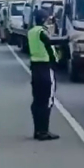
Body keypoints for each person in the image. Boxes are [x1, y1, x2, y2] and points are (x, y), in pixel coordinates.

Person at [27, 9, 60, 141]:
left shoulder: (31, 32)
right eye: (47, 19)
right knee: (47, 101)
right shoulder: (41, 32)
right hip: (46, 68)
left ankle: (37, 130)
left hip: (35, 68)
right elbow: (49, 43)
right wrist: (67, 40)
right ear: (43, 20)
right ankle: (44, 131)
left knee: (37, 100)